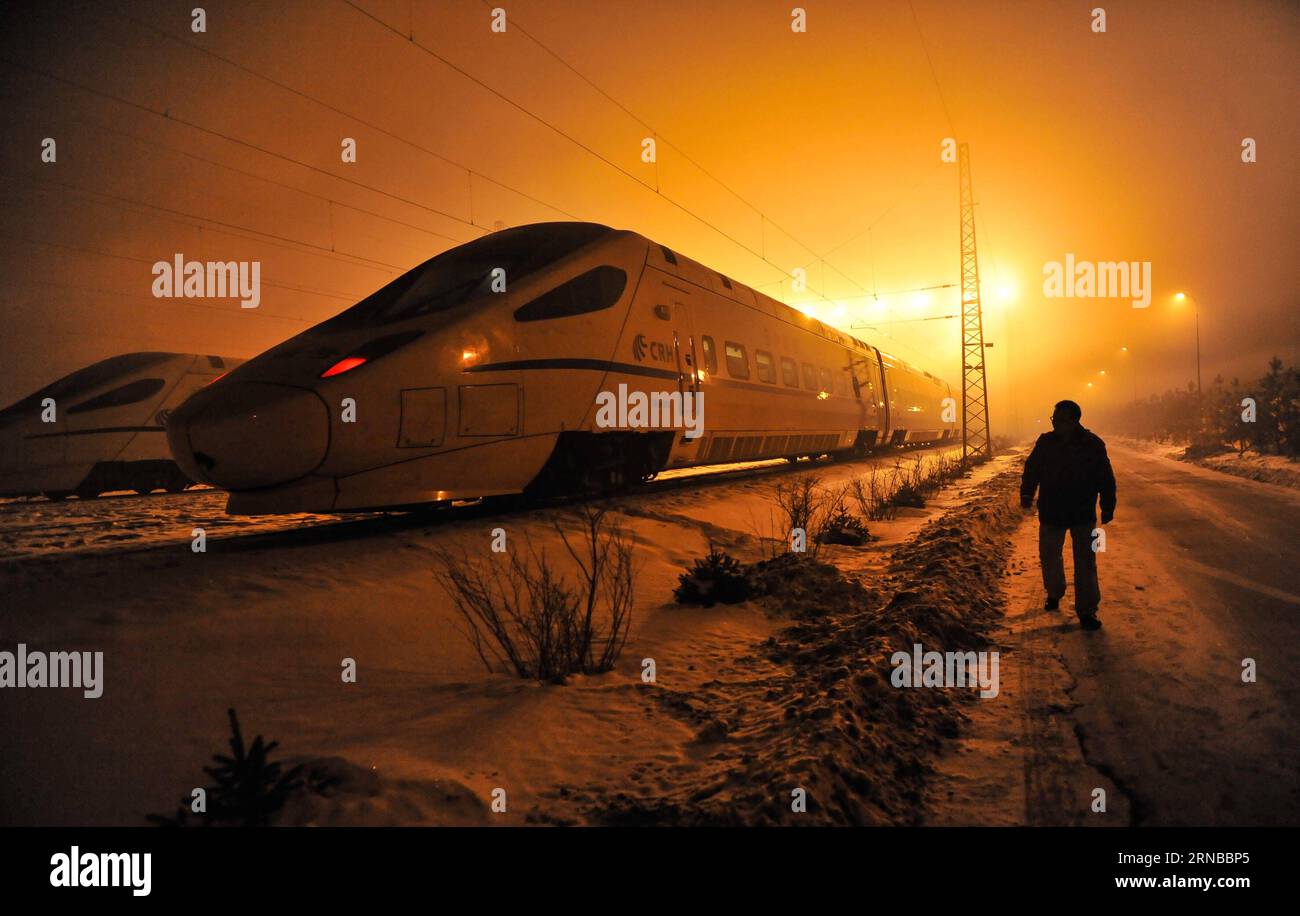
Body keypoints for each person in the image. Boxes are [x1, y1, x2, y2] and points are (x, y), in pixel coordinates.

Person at [1019, 400, 1116, 630]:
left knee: (1086, 563)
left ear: (1074, 421)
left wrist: (1108, 505)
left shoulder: (1092, 444)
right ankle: (1054, 592)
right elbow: (1032, 469)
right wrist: (1026, 494)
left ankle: (1087, 611)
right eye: (1054, 419)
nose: (1055, 424)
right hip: (1052, 511)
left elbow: (1105, 475)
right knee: (1050, 557)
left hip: (1083, 513)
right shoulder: (1046, 443)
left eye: (1060, 420)